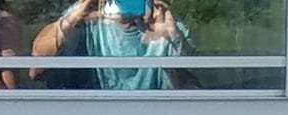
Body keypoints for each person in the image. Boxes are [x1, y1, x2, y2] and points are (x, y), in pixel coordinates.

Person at [32, 0, 197, 90]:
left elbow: (195, 95)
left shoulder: (167, 24)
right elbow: (36, 70)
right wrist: (70, 23)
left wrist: (173, 38)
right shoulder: (85, 17)